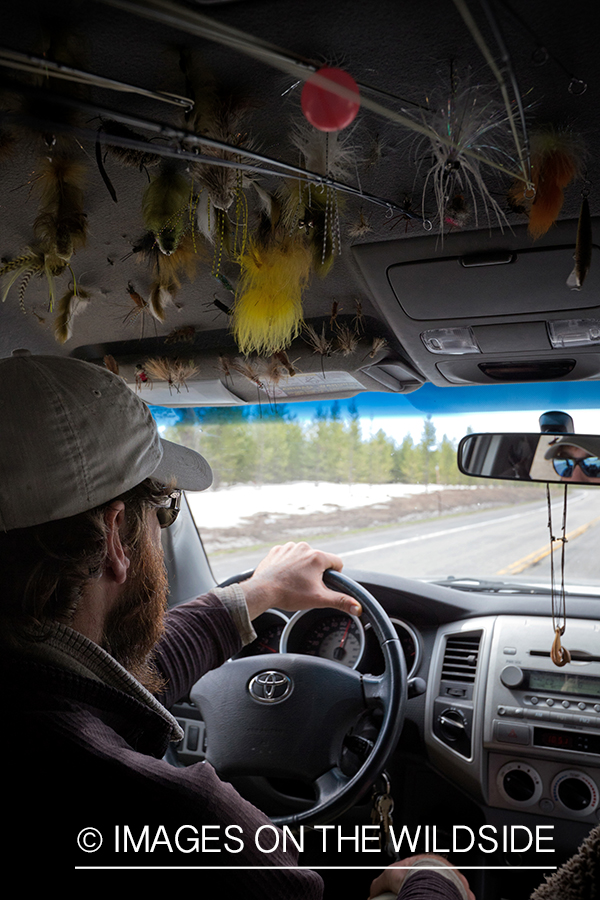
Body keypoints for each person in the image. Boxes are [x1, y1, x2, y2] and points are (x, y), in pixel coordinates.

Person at [0, 351, 363, 893]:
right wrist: (431, 881)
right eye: (163, 514)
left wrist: (257, 593)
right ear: (114, 537)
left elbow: (104, 682)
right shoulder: (179, 822)